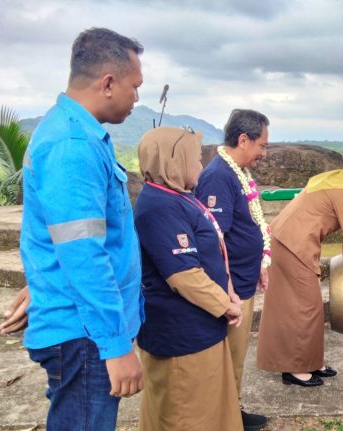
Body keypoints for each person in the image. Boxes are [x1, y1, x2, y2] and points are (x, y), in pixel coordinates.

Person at [18, 28, 145, 429]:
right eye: (134, 87)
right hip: (85, 334)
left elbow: (65, 235)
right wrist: (116, 346)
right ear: (107, 83)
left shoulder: (80, 133)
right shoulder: (73, 145)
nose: (137, 98)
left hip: (82, 326)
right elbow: (83, 253)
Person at [134, 126, 243, 430]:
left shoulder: (178, 196)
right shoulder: (159, 206)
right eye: (194, 159)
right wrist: (226, 304)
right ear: (174, 163)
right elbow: (184, 275)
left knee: (208, 408)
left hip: (200, 326)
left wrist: (229, 291)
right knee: (187, 413)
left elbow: (212, 252)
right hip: (181, 334)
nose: (200, 166)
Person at [256, 151, 343, 387]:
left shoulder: (338, 180)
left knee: (304, 305)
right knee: (306, 306)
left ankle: (310, 361)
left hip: (285, 239)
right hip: (293, 245)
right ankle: (295, 368)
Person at [194, 109, 270, 431]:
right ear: (243, 140)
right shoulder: (217, 177)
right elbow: (214, 240)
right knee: (227, 358)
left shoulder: (237, 173)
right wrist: (226, 291)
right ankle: (225, 418)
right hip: (232, 288)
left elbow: (246, 225)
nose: (263, 154)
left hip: (244, 279)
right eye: (262, 146)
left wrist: (260, 261)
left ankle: (231, 412)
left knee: (235, 357)